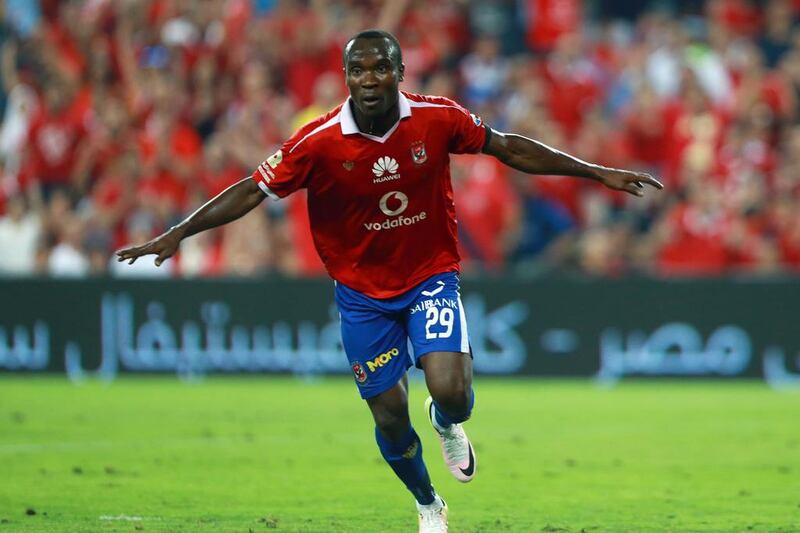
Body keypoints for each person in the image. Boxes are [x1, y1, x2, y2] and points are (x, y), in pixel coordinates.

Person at [116, 29, 663, 532]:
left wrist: (595, 171)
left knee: (453, 392)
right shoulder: (318, 141)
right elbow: (251, 190)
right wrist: (178, 232)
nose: (369, 79)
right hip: (361, 295)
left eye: (380, 68)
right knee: (389, 416)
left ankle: (447, 421)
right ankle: (428, 501)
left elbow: (509, 147)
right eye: (358, 70)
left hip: (429, 275)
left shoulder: (436, 117)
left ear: (400, 73)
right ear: (346, 76)